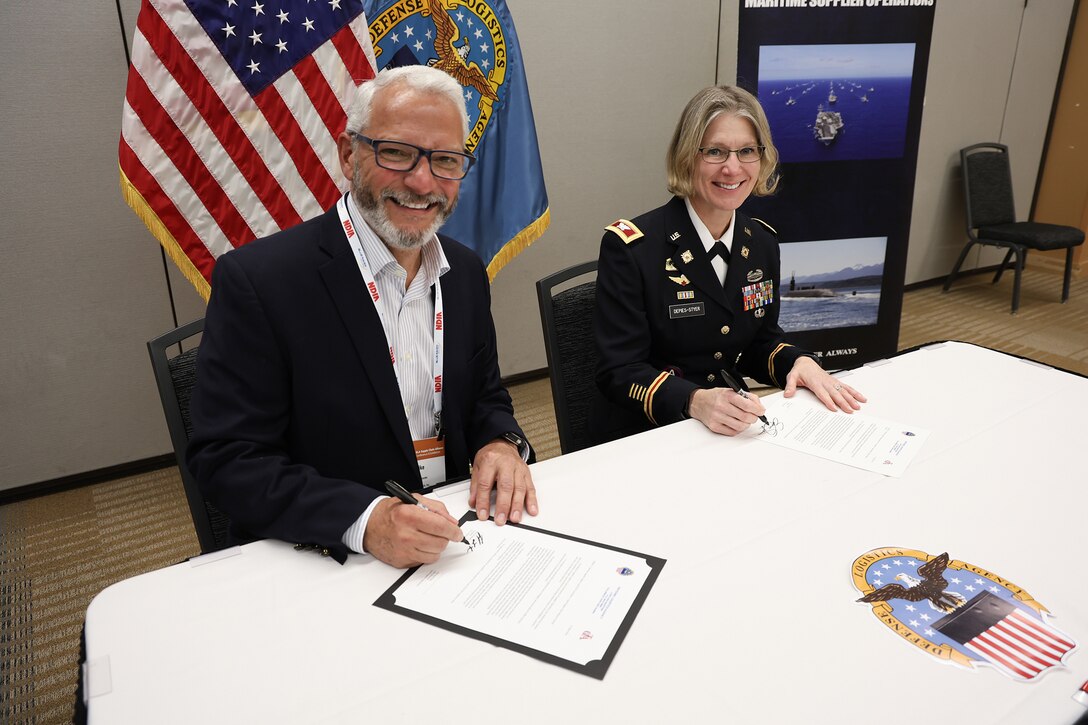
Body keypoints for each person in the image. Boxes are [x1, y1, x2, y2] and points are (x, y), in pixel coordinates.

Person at [187, 66, 537, 569]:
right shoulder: (260, 282)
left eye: (445, 160)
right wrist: (366, 519)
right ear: (349, 155)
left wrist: (502, 442)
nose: (422, 182)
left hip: (460, 538)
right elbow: (227, 459)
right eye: (396, 153)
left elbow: (485, 396)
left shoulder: (464, 271)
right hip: (331, 557)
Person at [591, 85, 865, 443]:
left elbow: (758, 343)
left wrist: (799, 362)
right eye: (715, 151)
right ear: (687, 156)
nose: (732, 168)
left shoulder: (762, 242)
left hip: (728, 427)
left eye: (747, 151)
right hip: (647, 433)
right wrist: (693, 400)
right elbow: (619, 370)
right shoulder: (632, 247)